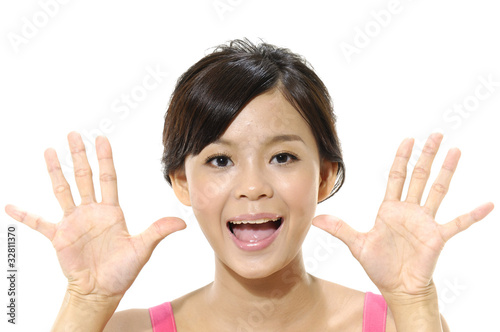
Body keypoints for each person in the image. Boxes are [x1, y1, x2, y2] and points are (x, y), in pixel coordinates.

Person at [5, 39, 494, 331]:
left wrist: (415, 303)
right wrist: (84, 305)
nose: (253, 186)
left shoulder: (395, 326)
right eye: (220, 160)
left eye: (282, 156)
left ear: (324, 175)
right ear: (182, 182)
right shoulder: (126, 331)